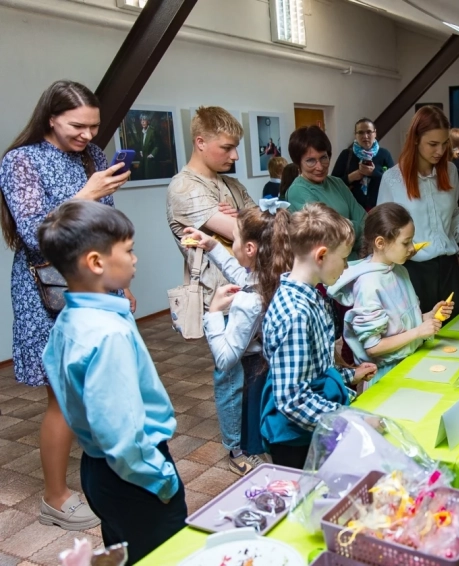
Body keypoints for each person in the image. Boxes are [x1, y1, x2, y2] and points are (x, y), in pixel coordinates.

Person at [0, 79, 134, 531]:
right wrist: (85, 195)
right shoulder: (21, 160)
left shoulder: (92, 156)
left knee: (100, 386)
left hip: (96, 284)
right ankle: (54, 498)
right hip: (48, 291)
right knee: (64, 396)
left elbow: (104, 226)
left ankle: (107, 474)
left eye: (94, 126)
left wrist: (119, 281)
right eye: (78, 125)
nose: (88, 135)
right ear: (51, 117)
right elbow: (34, 233)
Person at [39, 200, 187, 564]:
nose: (135, 259)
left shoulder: (68, 321)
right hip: (133, 475)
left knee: (124, 549)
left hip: (96, 469)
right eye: (129, 250)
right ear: (96, 262)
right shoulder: (108, 335)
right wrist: (161, 478)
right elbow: (121, 435)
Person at [166, 106, 259, 476]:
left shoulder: (230, 184)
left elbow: (265, 227)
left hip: (250, 287)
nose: (235, 156)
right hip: (220, 298)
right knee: (231, 375)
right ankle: (236, 448)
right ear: (200, 142)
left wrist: (243, 221)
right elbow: (250, 231)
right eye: (227, 147)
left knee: (256, 369)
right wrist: (243, 222)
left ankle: (254, 436)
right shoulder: (184, 188)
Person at [261, 203, 377, 469]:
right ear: (322, 255)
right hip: (296, 441)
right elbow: (293, 399)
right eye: (344, 258)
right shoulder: (296, 314)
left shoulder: (311, 296)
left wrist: (349, 376)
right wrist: (353, 422)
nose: (346, 266)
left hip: (313, 428)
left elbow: (314, 371)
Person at [181, 198, 292, 458]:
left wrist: (214, 313)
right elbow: (243, 276)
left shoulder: (249, 301)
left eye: (235, 239)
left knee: (261, 434)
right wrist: (213, 246)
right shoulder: (276, 277)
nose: (233, 245)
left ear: (250, 248)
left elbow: (225, 359)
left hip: (256, 373)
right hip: (276, 370)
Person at [377, 106, 459, 317]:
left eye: (445, 143)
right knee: (421, 331)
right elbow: (383, 231)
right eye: (433, 144)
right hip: (412, 271)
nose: (440, 151)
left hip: (448, 268)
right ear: (415, 139)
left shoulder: (451, 171)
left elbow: (452, 216)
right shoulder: (393, 179)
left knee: (456, 330)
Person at [328, 203, 454, 384]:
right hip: (387, 377)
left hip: (411, 364)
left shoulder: (399, 270)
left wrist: (429, 316)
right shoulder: (369, 284)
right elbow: (373, 347)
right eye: (406, 242)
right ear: (380, 243)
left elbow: (399, 325)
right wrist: (418, 332)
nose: (412, 248)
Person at [287, 126, 367, 260]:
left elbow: (366, 221)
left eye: (323, 158)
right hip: (328, 268)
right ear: (298, 162)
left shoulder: (337, 183)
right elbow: (328, 235)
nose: (320, 167)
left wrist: (344, 227)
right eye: (310, 161)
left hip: (358, 261)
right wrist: (355, 229)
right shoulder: (298, 190)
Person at [331, 118, 394, 211]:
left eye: (369, 132)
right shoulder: (346, 155)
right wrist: (351, 177)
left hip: (379, 209)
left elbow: (393, 182)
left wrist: (373, 173)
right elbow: (332, 184)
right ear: (355, 135)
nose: (365, 136)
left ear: (375, 133)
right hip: (351, 210)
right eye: (360, 132)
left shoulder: (384, 154)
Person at [134, 114, 162, 180]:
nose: (143, 122)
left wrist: (152, 154)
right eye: (141, 120)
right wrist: (141, 151)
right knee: (141, 176)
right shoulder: (141, 132)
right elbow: (142, 144)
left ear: (148, 121)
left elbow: (157, 145)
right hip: (143, 160)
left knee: (149, 176)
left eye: (144, 120)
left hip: (150, 160)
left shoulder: (152, 131)